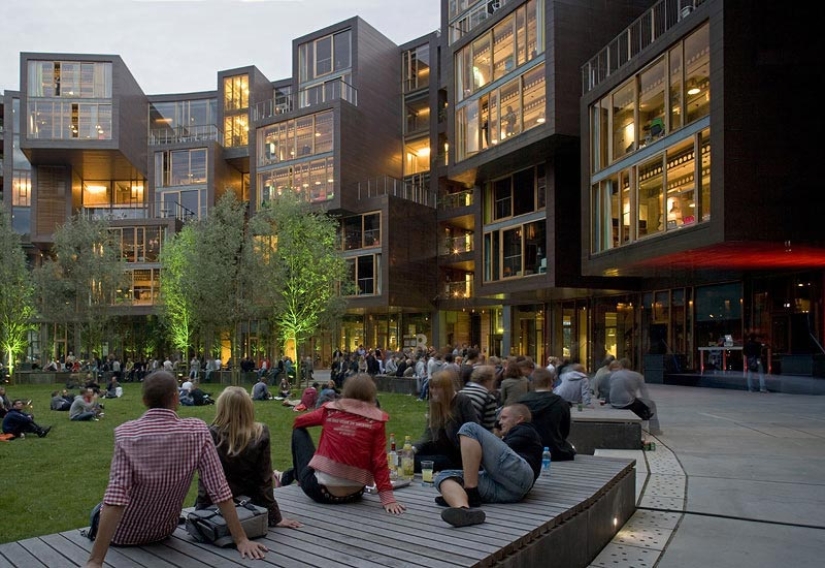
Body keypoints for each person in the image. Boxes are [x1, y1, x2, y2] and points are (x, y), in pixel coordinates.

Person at [84, 371, 267, 568]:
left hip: (123, 536)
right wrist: (241, 539)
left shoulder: (126, 434)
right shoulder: (197, 432)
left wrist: (95, 561)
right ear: (175, 397)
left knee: (99, 508)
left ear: (145, 400)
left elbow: (114, 501)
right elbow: (219, 489)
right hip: (163, 531)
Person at [278, 374, 406, 515]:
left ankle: (297, 477)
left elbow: (298, 422)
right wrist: (388, 499)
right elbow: (379, 461)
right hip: (355, 494)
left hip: (320, 491)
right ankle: (288, 475)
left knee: (298, 432)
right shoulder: (376, 421)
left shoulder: (330, 410)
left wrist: (329, 422)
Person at [196, 386, 301, 529]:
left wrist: (200, 510)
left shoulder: (209, 434)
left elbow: (205, 481)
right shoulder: (259, 433)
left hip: (216, 509)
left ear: (221, 407)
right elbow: (264, 479)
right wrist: (275, 517)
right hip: (249, 506)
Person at [435, 403, 543, 527]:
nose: (500, 422)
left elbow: (499, 454)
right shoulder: (515, 436)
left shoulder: (526, 430)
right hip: (509, 491)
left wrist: (495, 437)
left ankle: (470, 491)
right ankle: (463, 508)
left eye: (504, 417)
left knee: (469, 428)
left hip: (521, 474)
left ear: (519, 419)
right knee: (444, 477)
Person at [413, 369, 480, 473]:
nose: (433, 391)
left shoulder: (462, 401)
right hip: (439, 449)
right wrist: (413, 449)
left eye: (437, 388)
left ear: (446, 389)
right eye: (432, 388)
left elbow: (475, 432)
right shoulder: (434, 404)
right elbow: (428, 434)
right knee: (406, 457)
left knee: (422, 463)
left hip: (457, 455)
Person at [518, 367, 576, 461]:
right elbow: (565, 430)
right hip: (555, 450)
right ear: (551, 382)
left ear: (532, 383)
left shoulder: (522, 402)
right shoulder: (560, 403)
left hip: (528, 450)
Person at [460, 365, 498, 431]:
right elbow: (488, 428)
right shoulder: (488, 397)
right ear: (487, 380)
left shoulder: (460, 392)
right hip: (474, 435)